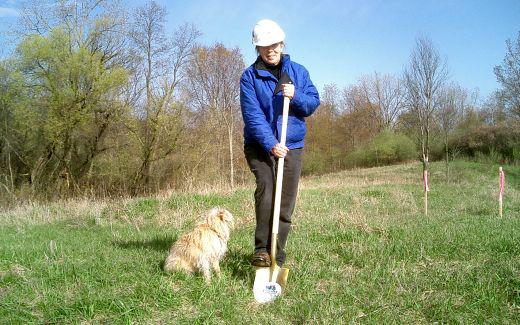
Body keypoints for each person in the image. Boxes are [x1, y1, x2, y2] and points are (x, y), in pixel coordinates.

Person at [240, 19, 320, 268]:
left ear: (282, 44)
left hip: (292, 144)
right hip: (260, 145)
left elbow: (312, 103)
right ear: (257, 48)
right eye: (264, 46)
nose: (270, 50)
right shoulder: (249, 77)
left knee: (286, 200)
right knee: (267, 188)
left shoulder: (299, 72)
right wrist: (271, 143)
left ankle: (277, 250)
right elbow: (252, 116)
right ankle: (262, 249)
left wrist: (294, 95)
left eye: (274, 45)